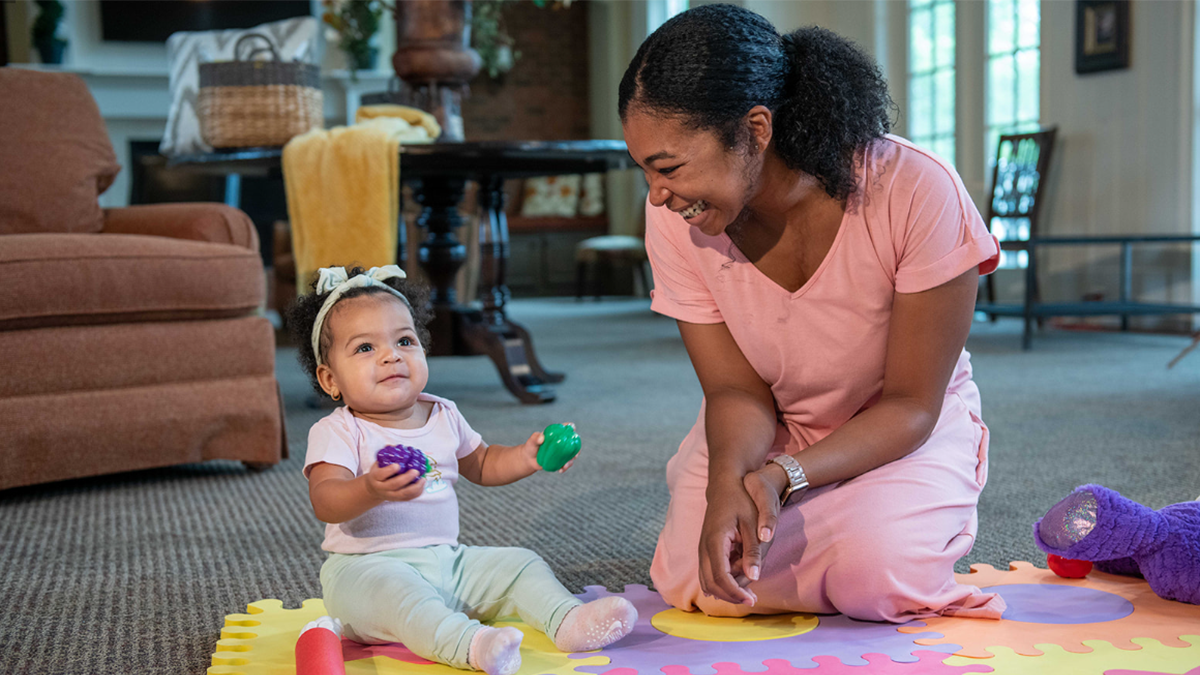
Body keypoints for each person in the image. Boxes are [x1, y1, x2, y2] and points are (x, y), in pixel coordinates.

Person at [619, 4, 1006, 623]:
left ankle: (907, 524)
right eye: (643, 169)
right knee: (697, 578)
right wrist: (730, 482)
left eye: (667, 168)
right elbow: (733, 389)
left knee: (876, 576)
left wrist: (782, 478)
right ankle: (838, 528)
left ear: (755, 128)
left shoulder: (914, 190)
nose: (656, 194)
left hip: (898, 430)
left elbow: (910, 405)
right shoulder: (678, 220)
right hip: (771, 423)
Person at [287, 265, 636, 675]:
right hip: (365, 573)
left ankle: (567, 621)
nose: (390, 354)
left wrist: (526, 456)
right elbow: (325, 500)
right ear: (330, 380)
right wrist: (371, 488)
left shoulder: (443, 413)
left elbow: (483, 463)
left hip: (447, 563)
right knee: (403, 597)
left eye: (404, 340)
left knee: (520, 563)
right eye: (365, 348)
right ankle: (472, 645)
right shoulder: (338, 430)